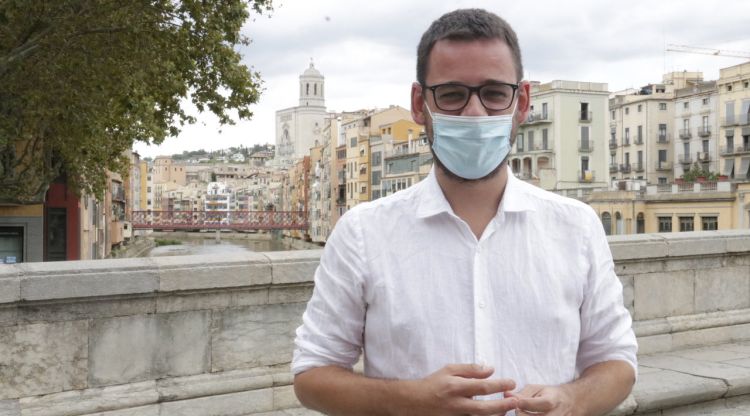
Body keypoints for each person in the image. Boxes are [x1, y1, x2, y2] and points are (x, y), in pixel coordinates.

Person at [292, 8, 637, 416]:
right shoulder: (363, 233)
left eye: (494, 93)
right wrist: (411, 401)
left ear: (521, 102)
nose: (475, 114)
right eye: (453, 94)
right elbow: (312, 375)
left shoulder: (576, 227)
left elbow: (618, 362)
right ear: (420, 104)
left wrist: (573, 400)